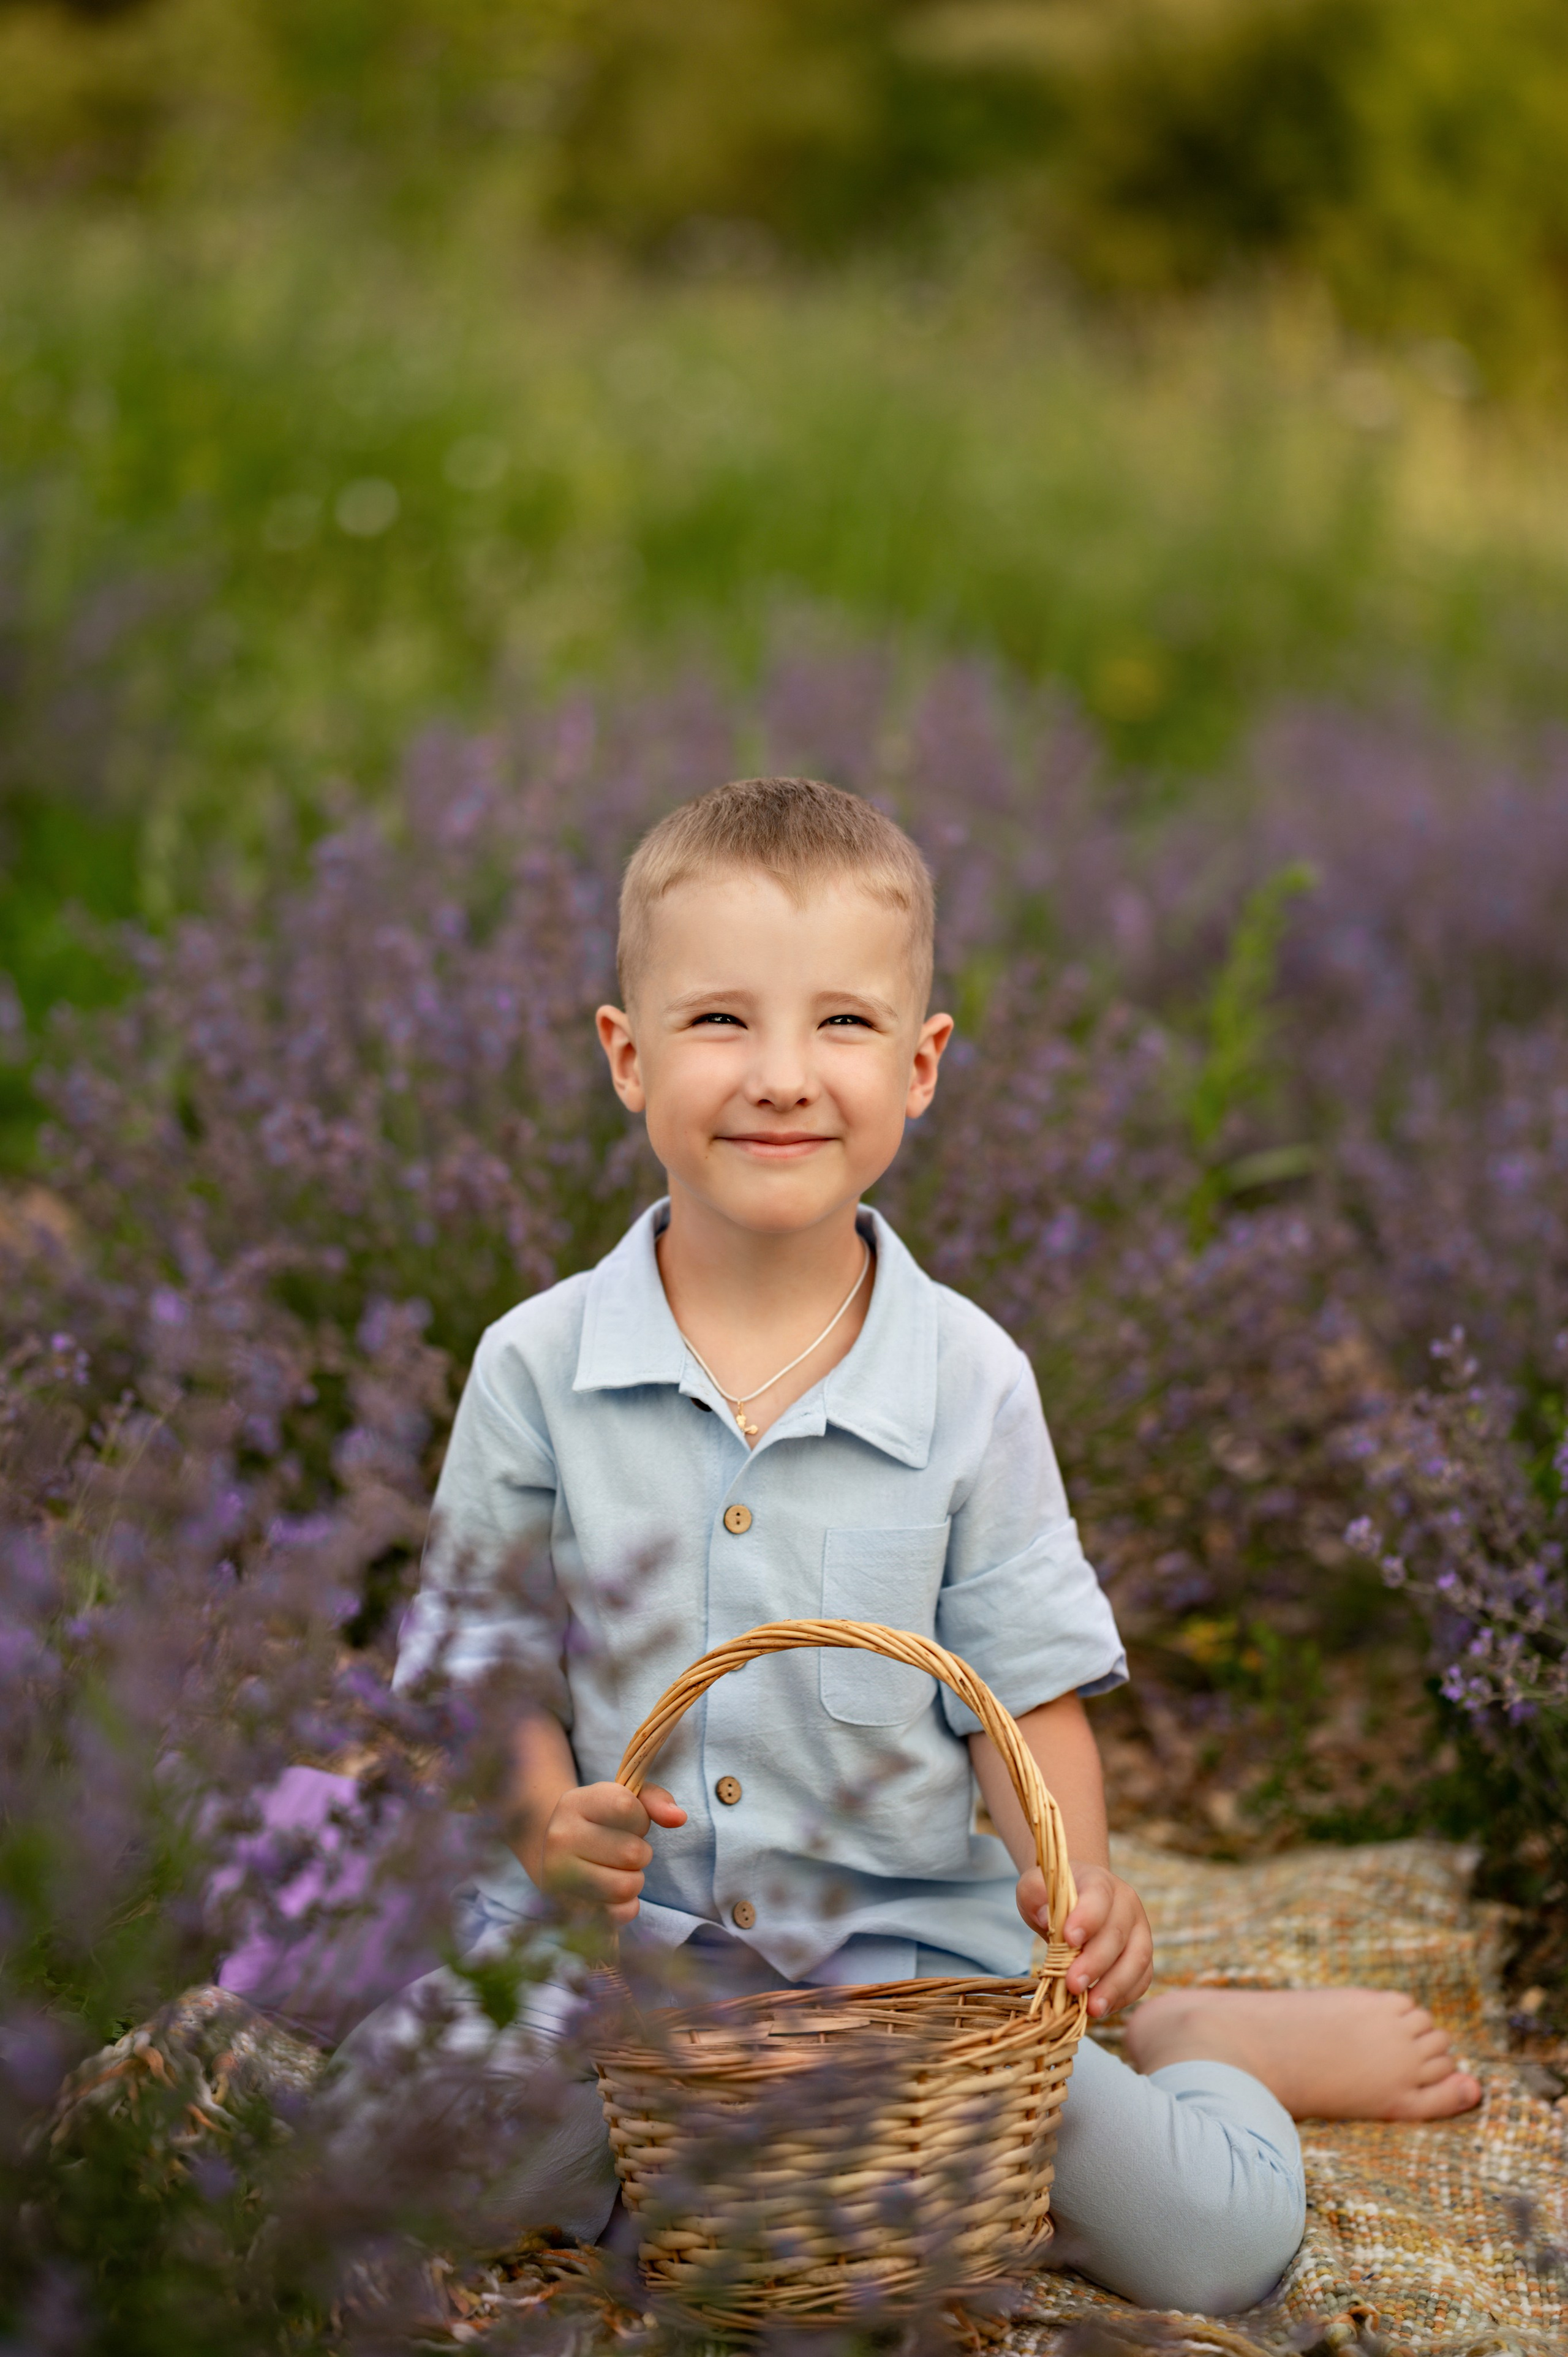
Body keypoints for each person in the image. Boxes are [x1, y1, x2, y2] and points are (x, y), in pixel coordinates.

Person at [375, 777, 1480, 2315]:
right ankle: (733, 2172)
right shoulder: (533, 1365)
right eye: (716, 1023)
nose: (779, 1076)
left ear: (921, 1064)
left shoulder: (967, 1378)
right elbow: (487, 1654)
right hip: (617, 1958)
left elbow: (1023, 1690)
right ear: (625, 1057)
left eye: (839, 1023)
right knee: (394, 2163)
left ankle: (1185, 2051)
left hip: (908, 1964)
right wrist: (545, 1819)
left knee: (1210, 2248)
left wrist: (1075, 1887)